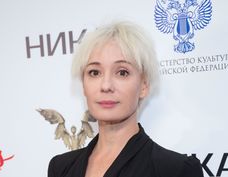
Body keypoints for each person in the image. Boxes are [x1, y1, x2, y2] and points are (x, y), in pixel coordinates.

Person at [48, 21, 204, 177]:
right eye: (94, 72)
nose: (106, 85)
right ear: (83, 85)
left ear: (144, 85)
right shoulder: (61, 167)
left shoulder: (175, 170)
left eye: (122, 72)